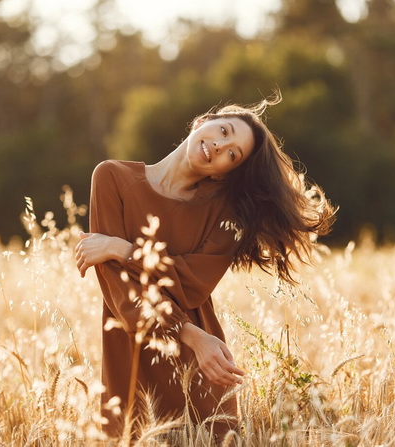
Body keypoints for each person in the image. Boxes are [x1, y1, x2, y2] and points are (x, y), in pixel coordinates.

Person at [74, 98, 336, 440]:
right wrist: (191, 334)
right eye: (223, 131)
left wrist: (121, 249)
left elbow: (191, 285)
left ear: (223, 172)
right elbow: (121, 293)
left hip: (201, 367)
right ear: (202, 122)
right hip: (139, 360)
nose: (219, 146)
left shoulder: (226, 213)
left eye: (232, 154)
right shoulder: (112, 177)